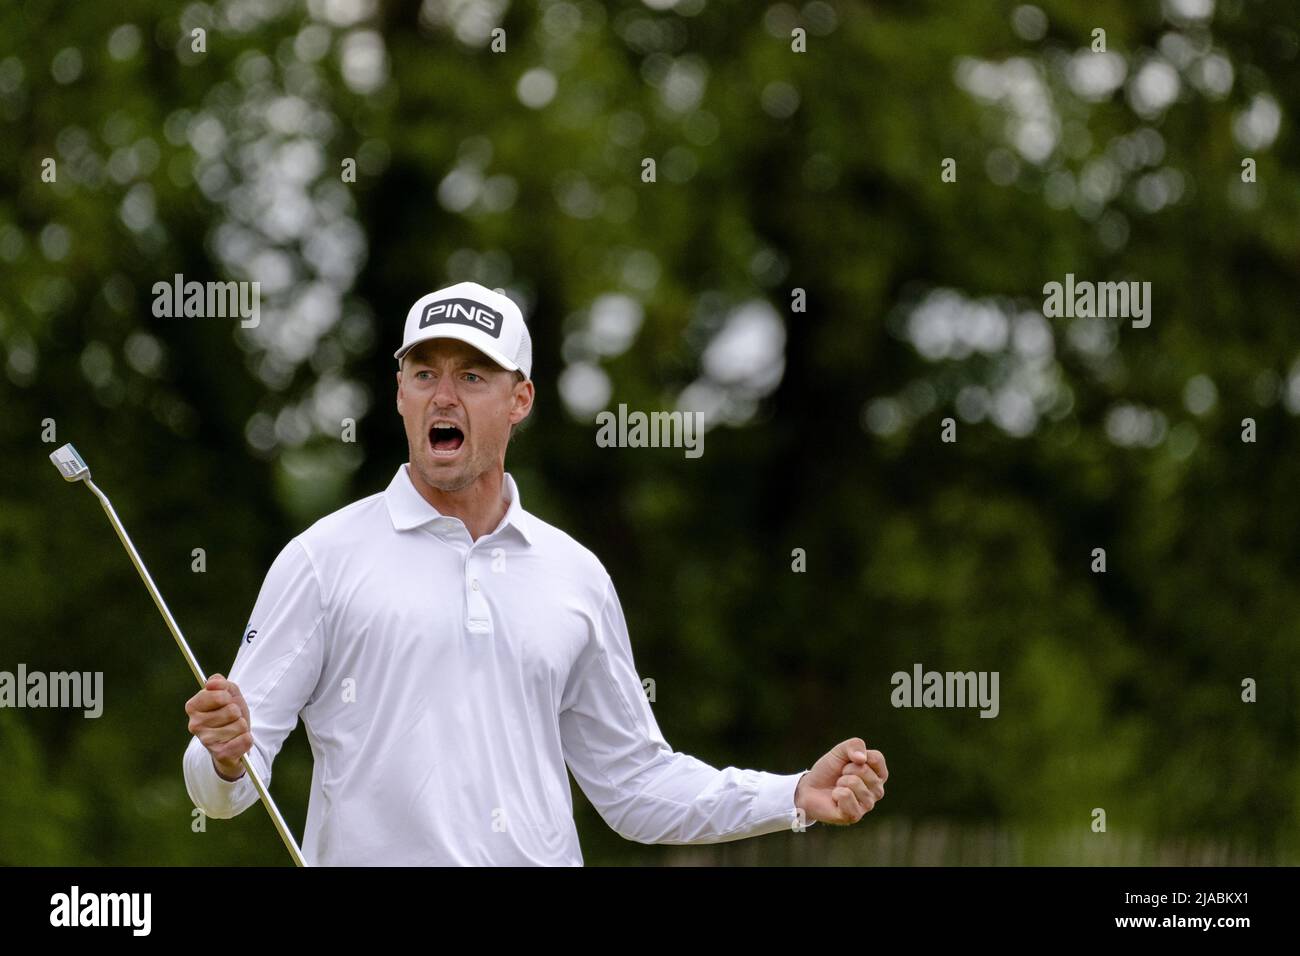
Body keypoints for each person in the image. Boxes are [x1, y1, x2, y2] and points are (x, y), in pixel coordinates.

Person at [182, 280, 888, 865]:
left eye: (473, 376)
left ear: (519, 401)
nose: (444, 396)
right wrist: (220, 759)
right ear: (399, 393)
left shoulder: (574, 575)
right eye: (425, 373)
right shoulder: (322, 559)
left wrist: (792, 796)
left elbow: (634, 785)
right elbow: (227, 789)